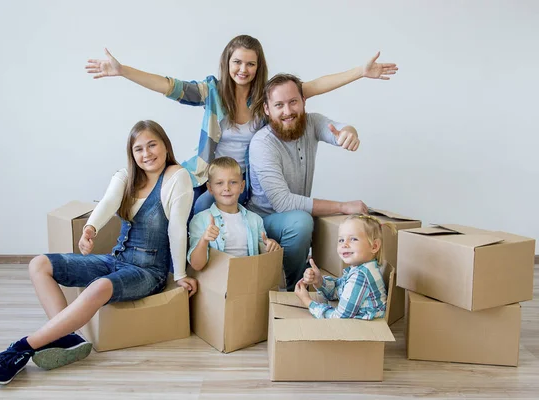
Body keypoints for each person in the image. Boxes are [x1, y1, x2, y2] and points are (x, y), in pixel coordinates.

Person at [0, 120, 197, 385]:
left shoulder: (177, 177)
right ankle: (64, 339)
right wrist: (90, 228)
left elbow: (177, 228)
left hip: (147, 272)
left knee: (97, 288)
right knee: (40, 264)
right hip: (116, 261)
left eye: (152, 145)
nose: (146, 154)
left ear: (165, 144)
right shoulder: (127, 175)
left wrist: (179, 274)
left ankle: (23, 347)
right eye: (138, 149)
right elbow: (108, 202)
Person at [85, 35, 397, 214]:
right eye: (237, 62)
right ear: (227, 62)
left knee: (199, 212)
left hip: (241, 181)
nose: (243, 69)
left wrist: (360, 71)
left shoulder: (267, 100)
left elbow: (314, 85)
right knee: (167, 209)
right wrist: (122, 70)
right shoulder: (212, 92)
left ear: (258, 66)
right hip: (203, 173)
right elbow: (169, 86)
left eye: (250, 63)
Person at [247, 73, 370, 290]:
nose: (287, 111)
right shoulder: (262, 144)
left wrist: (348, 134)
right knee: (301, 222)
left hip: (292, 215)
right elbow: (283, 203)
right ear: (267, 109)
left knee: (307, 220)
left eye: (293, 102)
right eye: (279, 105)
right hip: (262, 221)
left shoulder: (312, 122)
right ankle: (291, 288)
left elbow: (340, 128)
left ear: (303, 101)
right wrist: (342, 206)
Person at [187, 156, 280, 271]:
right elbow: (196, 265)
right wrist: (204, 240)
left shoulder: (255, 220)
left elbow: (264, 252)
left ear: (242, 186)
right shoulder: (200, 220)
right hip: (217, 284)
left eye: (233, 182)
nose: (226, 188)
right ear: (210, 188)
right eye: (219, 183)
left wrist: (272, 245)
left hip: (248, 279)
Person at [295, 214, 395, 319]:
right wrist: (319, 281)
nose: (344, 244)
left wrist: (307, 302)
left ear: (374, 246)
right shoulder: (359, 269)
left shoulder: (361, 277)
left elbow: (339, 319)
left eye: (353, 239)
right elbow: (338, 291)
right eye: (341, 240)